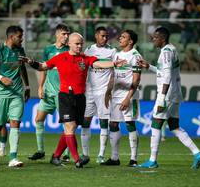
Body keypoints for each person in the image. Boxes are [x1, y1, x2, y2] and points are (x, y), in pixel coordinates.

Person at [20, 32, 126, 168]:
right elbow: (43, 66)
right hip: (65, 96)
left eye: (81, 43)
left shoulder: (85, 58)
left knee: (72, 127)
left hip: (80, 97)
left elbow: (98, 64)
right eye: (77, 43)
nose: (80, 46)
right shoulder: (60, 58)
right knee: (69, 127)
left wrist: (113, 64)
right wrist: (31, 62)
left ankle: (56, 156)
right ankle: (77, 160)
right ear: (69, 43)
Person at [138, 27, 200, 169]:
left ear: (162, 38)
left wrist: (162, 97)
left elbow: (167, 75)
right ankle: (197, 153)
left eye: (155, 37)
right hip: (174, 94)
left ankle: (152, 160)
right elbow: (163, 72)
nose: (153, 39)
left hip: (167, 95)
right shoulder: (171, 49)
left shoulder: (166, 52)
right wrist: (149, 66)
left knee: (156, 124)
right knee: (174, 126)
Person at [0, 26, 30, 167]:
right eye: (19, 37)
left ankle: (13, 158)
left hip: (17, 93)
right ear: (11, 37)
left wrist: (27, 86)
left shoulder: (20, 50)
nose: (22, 39)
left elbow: (22, 68)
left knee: (15, 123)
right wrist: (0, 77)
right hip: (0, 95)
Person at [28, 24, 71, 161]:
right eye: (64, 34)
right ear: (57, 34)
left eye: (67, 34)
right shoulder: (48, 49)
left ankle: (67, 154)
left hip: (62, 93)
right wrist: (40, 87)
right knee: (38, 119)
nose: (66, 36)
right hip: (48, 92)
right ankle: (40, 151)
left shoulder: (70, 50)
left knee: (67, 123)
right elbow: (44, 69)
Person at [102, 29, 142, 167]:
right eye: (120, 37)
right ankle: (114, 158)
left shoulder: (135, 56)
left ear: (130, 41)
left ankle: (133, 159)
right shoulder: (117, 55)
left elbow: (136, 80)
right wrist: (108, 92)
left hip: (129, 96)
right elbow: (113, 75)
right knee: (113, 124)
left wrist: (127, 98)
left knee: (130, 124)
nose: (120, 39)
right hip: (116, 95)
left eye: (123, 37)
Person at [81, 27, 117, 164]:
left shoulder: (112, 51)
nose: (105, 38)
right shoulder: (89, 50)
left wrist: (109, 91)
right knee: (85, 121)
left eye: (106, 36)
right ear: (96, 35)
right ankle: (85, 154)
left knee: (103, 122)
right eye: (102, 35)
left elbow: (114, 72)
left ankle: (101, 154)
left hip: (103, 91)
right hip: (89, 90)